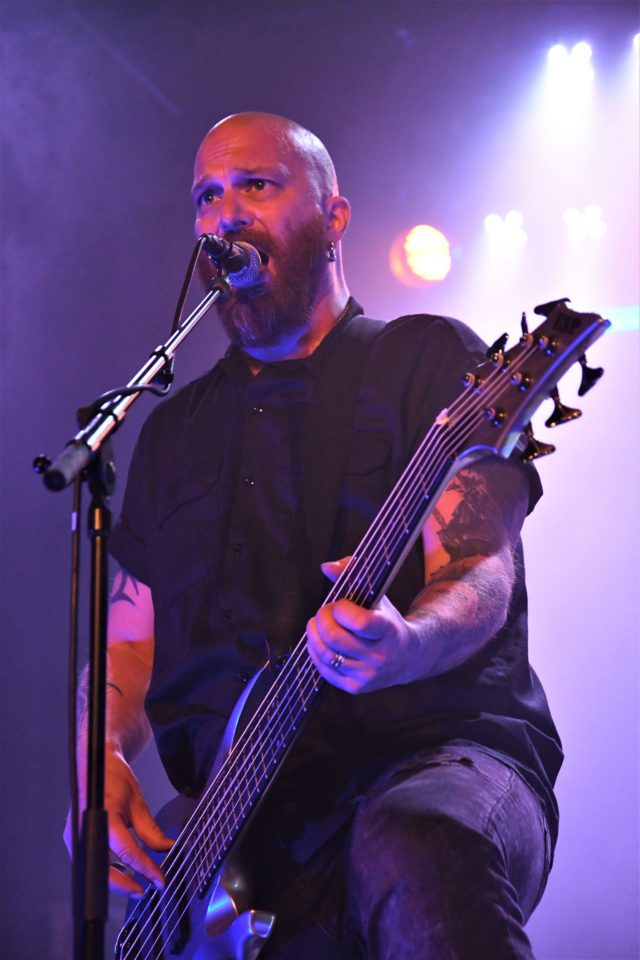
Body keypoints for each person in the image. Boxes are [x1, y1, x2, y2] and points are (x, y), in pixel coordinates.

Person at [67, 112, 563, 959]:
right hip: (234, 826)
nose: (226, 214)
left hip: (434, 755)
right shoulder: (173, 431)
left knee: (414, 838)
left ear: (334, 218)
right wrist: (99, 760)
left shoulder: (425, 359)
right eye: (207, 197)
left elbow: (481, 563)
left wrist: (406, 643)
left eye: (256, 186)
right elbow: (130, 641)